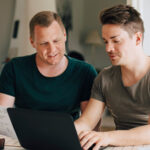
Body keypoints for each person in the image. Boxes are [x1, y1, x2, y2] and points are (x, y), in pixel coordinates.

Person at [75, 4, 150, 150]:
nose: (108, 48)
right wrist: (66, 133)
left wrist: (107, 136)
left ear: (137, 39)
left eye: (116, 41)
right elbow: (87, 121)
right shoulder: (105, 77)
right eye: (106, 41)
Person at [0, 11, 97, 120]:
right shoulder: (13, 68)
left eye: (56, 41)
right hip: (23, 135)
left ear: (64, 35)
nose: (52, 49)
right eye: (44, 43)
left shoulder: (85, 72)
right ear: (32, 42)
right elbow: (2, 118)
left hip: (70, 135)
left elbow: (90, 124)